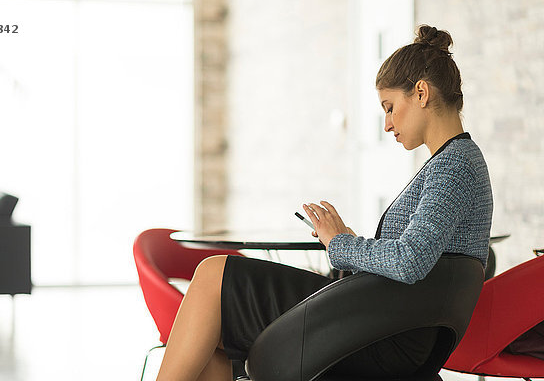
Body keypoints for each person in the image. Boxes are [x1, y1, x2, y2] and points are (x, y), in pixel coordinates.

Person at [155, 24, 493, 381]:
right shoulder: (457, 162)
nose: (387, 124)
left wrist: (340, 244)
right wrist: (353, 243)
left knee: (213, 275)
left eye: (390, 107)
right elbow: (417, 260)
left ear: (421, 93)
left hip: (379, 333)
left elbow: (410, 261)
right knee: (212, 345)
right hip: (383, 326)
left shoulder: (454, 166)